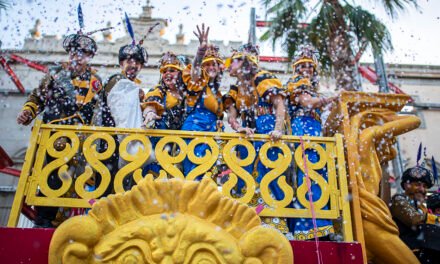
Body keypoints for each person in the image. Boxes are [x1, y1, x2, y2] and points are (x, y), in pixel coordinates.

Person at [16, 30, 103, 227]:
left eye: (83, 53)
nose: (77, 57)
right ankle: (43, 223)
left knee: (75, 185)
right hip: (54, 138)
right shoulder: (55, 74)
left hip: (81, 142)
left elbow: (101, 112)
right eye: (74, 52)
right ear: (69, 54)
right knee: (50, 180)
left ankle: (65, 227)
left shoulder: (96, 82)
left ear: (89, 57)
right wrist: (28, 113)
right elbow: (37, 98)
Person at [223, 43, 289, 234]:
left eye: (234, 61)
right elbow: (232, 117)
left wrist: (277, 129)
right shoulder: (237, 87)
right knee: (245, 176)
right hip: (248, 137)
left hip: (268, 131)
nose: (230, 67)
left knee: (270, 174)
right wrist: (240, 127)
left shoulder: (262, 77)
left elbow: (279, 104)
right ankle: (247, 220)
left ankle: (273, 221)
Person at [285, 45, 337, 240]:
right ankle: (309, 227)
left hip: (313, 130)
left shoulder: (312, 87)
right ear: (297, 69)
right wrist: (330, 98)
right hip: (304, 128)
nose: (306, 69)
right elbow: (306, 103)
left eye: (310, 66)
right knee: (309, 171)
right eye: (303, 65)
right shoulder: (297, 82)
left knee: (316, 172)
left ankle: (318, 224)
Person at [180, 24, 224, 177]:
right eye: (208, 64)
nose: (211, 67)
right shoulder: (198, 82)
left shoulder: (218, 93)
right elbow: (195, 69)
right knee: (193, 173)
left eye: (214, 64)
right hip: (195, 129)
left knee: (207, 176)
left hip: (211, 133)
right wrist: (201, 51)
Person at [141, 51, 186, 176]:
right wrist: (150, 113)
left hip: (179, 149)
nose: (167, 74)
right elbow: (151, 103)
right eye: (164, 71)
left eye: (172, 70)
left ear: (180, 74)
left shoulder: (188, 95)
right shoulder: (158, 91)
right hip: (159, 148)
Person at [390, 166, 440, 263]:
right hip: (406, 250)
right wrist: (436, 219)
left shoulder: (421, 207)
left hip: (424, 251)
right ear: (406, 185)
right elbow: (414, 219)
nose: (422, 189)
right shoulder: (398, 200)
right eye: (418, 185)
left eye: (425, 186)